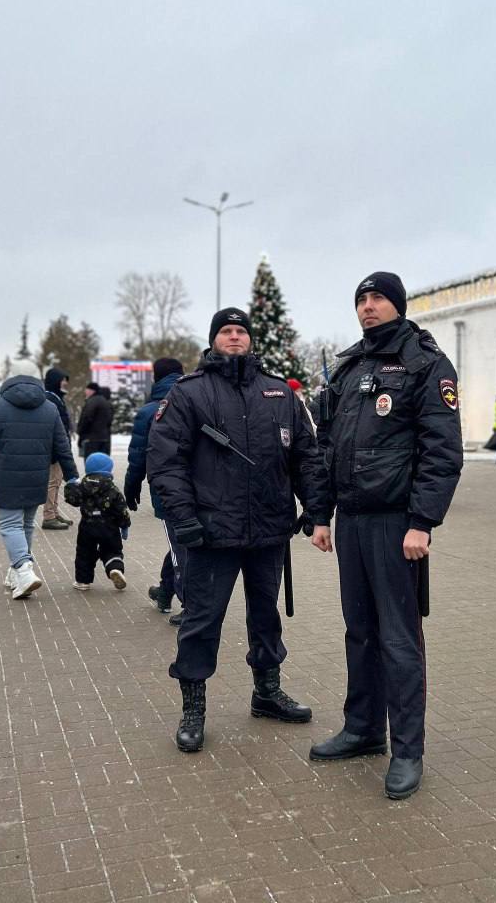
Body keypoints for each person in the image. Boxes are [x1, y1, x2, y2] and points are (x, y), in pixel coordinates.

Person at [148, 307, 331, 755]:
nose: (234, 337)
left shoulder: (278, 393)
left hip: (268, 531)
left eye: (241, 331)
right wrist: (183, 518)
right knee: (201, 622)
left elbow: (305, 454)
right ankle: (193, 709)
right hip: (211, 534)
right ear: (213, 340)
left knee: (265, 617)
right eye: (226, 331)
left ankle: (266, 692)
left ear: (250, 339)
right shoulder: (190, 393)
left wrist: (317, 508)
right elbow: (166, 462)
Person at [310, 272, 463, 801]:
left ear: (396, 304)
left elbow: (442, 451)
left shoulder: (425, 362)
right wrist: (321, 514)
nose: (367, 307)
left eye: (376, 298)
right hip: (351, 521)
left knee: (399, 638)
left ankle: (408, 750)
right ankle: (363, 728)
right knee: (361, 631)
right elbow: (328, 445)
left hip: (398, 524)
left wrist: (423, 521)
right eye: (361, 299)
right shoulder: (351, 367)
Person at [0, 359, 78, 598]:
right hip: (37, 475)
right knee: (26, 524)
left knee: (9, 524)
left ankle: (24, 569)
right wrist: (73, 477)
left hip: (6, 475)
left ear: (11, 377)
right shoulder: (49, 408)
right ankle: (16, 573)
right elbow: (63, 446)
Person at [125, 357, 187, 621]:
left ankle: (191, 605)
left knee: (180, 548)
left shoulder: (151, 410)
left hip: (167, 490)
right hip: (203, 488)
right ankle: (165, 590)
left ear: (156, 377)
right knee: (181, 544)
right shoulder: (198, 400)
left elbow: (139, 453)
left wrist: (131, 486)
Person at [64, 452, 130, 592]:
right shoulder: (113, 488)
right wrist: (124, 526)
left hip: (87, 526)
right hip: (109, 527)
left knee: (84, 553)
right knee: (112, 550)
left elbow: (73, 499)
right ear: (108, 470)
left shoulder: (82, 485)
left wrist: (70, 486)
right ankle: (115, 569)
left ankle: (83, 581)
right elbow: (121, 509)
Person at [42, 369, 74, 530]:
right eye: (63, 380)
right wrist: (57, 452)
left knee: (56, 482)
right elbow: (52, 428)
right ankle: (48, 516)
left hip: (60, 449)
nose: (65, 383)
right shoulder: (50, 399)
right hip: (54, 451)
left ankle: (54, 512)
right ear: (55, 381)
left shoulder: (56, 398)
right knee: (52, 482)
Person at [77, 381, 114, 459]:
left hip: (91, 440)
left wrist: (80, 433)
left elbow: (86, 418)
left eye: (86, 390)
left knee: (91, 464)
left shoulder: (92, 401)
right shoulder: (106, 402)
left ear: (92, 390)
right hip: (104, 439)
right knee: (102, 464)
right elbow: (109, 421)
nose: (85, 392)